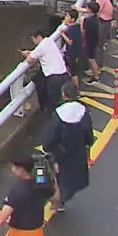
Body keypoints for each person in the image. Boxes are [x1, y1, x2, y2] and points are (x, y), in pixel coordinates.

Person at [43, 82, 95, 212]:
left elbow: (52, 136)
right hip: (78, 150)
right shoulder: (83, 111)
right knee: (73, 176)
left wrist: (47, 147)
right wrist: (88, 144)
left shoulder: (59, 113)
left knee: (59, 178)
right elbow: (88, 132)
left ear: (64, 96)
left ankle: (58, 202)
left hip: (61, 152)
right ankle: (65, 197)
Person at [22, 29, 68, 112]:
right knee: (57, 100)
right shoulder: (49, 41)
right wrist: (31, 52)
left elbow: (29, 59)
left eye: (33, 39)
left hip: (54, 78)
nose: (33, 41)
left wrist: (27, 54)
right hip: (62, 73)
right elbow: (39, 53)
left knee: (53, 103)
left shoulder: (41, 46)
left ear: (38, 37)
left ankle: (53, 119)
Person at [59, 8, 84, 88]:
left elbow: (70, 42)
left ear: (72, 19)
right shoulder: (76, 26)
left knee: (73, 72)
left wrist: (62, 34)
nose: (65, 18)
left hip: (71, 53)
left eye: (67, 16)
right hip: (76, 52)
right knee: (70, 68)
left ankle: (76, 90)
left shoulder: (71, 30)